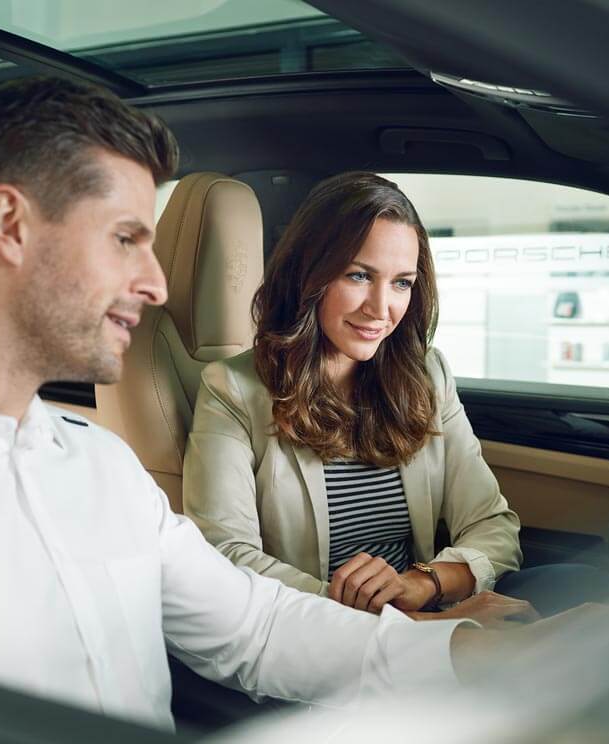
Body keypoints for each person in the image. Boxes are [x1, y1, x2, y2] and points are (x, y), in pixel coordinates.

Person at [0, 76, 523, 732]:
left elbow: (255, 626)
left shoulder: (100, 464)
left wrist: (464, 652)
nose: (156, 286)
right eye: (126, 238)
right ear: (11, 226)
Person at [183, 172, 534, 623]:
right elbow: (226, 556)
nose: (381, 308)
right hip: (321, 634)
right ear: (309, 276)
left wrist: (422, 582)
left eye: (402, 283)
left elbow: (494, 526)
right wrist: (407, 626)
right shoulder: (231, 389)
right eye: (359, 275)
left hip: (427, 614)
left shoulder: (427, 373)